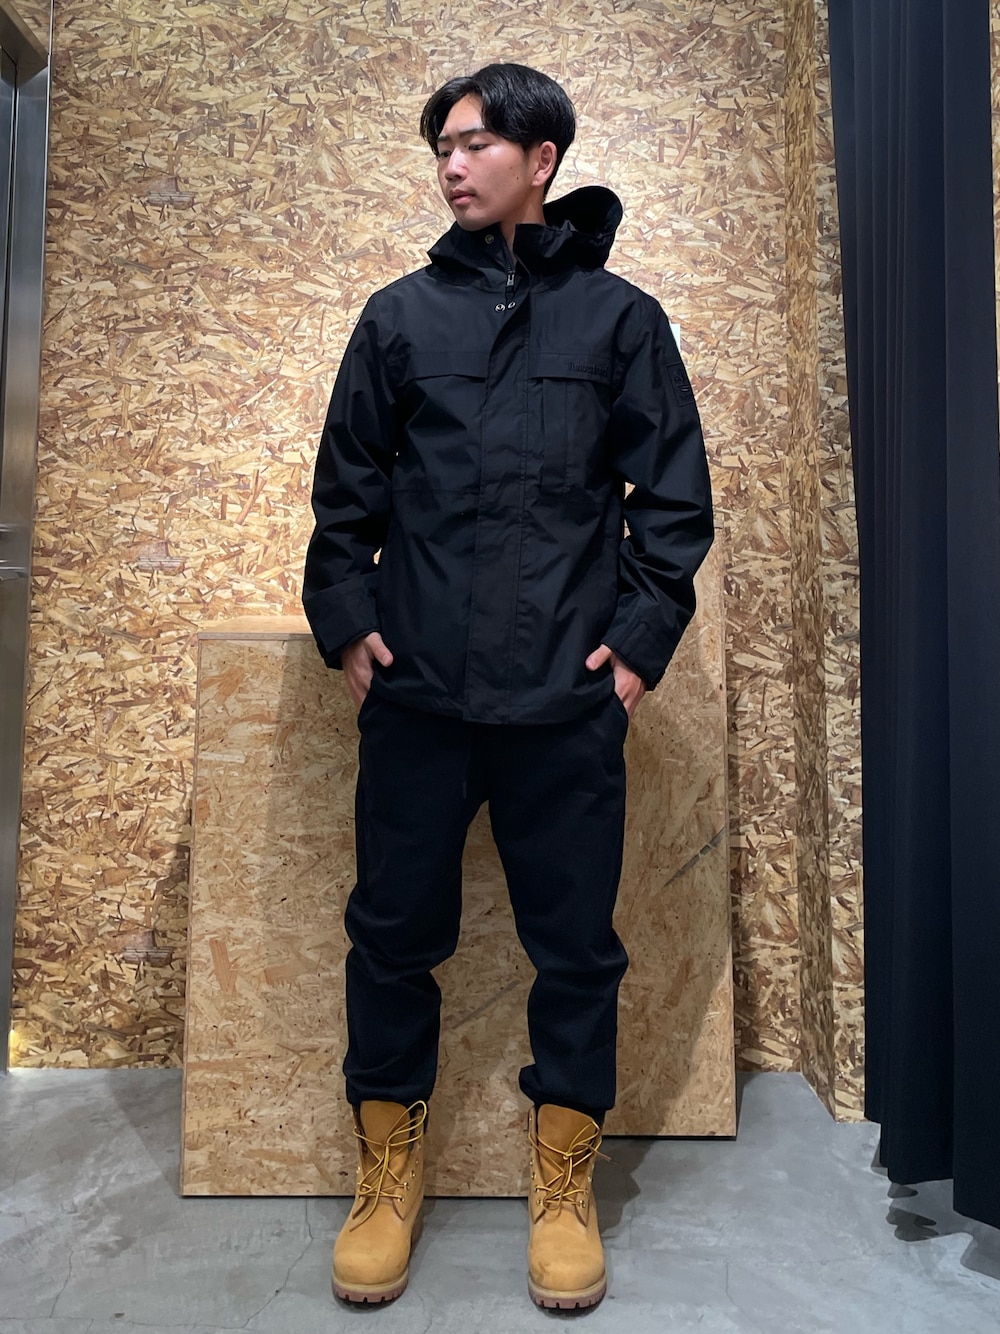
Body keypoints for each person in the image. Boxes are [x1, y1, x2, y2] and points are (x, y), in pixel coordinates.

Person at [302, 62, 713, 1311]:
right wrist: (349, 626)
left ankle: (563, 1181)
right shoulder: (398, 318)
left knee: (576, 950)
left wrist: (634, 647)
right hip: (419, 698)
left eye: (474, 142)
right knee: (390, 940)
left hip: (562, 707)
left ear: (541, 159)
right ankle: (387, 1174)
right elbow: (344, 495)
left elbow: (672, 503)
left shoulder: (620, 322)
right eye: (441, 145)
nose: (450, 163)